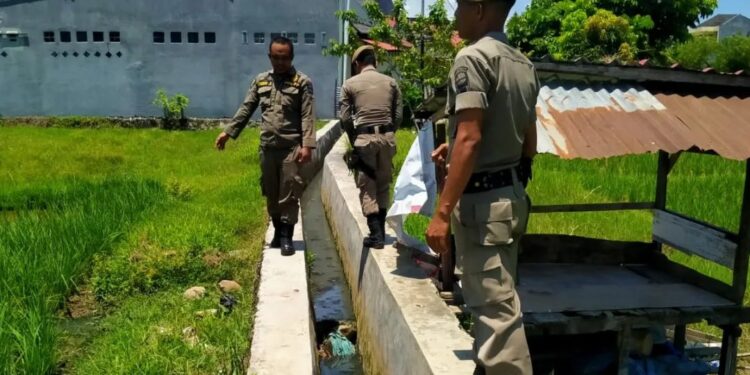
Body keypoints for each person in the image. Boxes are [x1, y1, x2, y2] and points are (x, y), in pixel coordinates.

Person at [425, 0, 539, 374]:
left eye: (459, 5)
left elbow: (472, 139)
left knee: (496, 315)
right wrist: (457, 144)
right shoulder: (523, 64)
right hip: (509, 199)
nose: (455, 14)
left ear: (478, 9)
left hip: (483, 206)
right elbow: (528, 141)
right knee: (499, 298)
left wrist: (441, 213)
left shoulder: (472, 59)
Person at [215, 36, 316, 256]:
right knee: (271, 192)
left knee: (289, 190)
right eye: (276, 58)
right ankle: (278, 231)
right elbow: (247, 107)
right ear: (270, 57)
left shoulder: (302, 82)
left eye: (285, 58)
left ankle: (287, 237)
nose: (280, 62)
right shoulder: (260, 81)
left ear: (291, 57)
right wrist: (228, 132)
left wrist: (307, 146)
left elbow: (308, 116)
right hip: (268, 148)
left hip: (292, 147)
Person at [339, 45, 403, 249]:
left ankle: (376, 235)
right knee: (383, 183)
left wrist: (354, 139)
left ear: (357, 63)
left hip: (364, 138)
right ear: (375, 62)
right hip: (387, 138)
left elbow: (345, 118)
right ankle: (382, 231)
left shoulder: (349, 84)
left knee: (367, 185)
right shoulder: (391, 82)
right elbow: (398, 115)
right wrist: (389, 133)